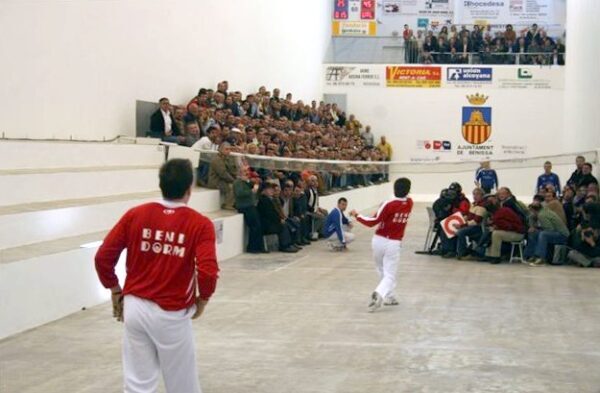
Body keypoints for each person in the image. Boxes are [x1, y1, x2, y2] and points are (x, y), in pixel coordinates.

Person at [94, 159, 219, 393]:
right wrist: (203, 299)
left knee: (137, 383)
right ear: (189, 189)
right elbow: (208, 270)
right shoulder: (200, 224)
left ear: (161, 184)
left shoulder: (135, 214)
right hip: (172, 311)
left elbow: (103, 257)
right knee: (182, 384)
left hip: (134, 306)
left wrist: (114, 289)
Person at [350, 178, 413, 312]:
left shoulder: (388, 204)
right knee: (389, 274)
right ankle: (379, 293)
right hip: (393, 243)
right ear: (408, 190)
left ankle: (390, 296)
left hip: (378, 240)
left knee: (381, 269)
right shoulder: (410, 203)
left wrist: (357, 215)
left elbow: (373, 221)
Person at [233, 167, 267, 254]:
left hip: (250, 205)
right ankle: (253, 247)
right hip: (245, 206)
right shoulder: (238, 183)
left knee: (257, 226)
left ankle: (258, 246)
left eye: (247, 171)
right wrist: (251, 191)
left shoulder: (247, 182)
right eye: (244, 171)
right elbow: (240, 193)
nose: (246, 173)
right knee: (254, 226)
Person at [208, 142, 237, 210]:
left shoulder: (227, 158)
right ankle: (228, 204)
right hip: (216, 181)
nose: (228, 151)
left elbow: (232, 170)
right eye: (226, 149)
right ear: (220, 149)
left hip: (223, 180)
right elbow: (223, 174)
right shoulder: (216, 159)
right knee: (234, 186)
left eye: (229, 149)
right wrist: (234, 181)